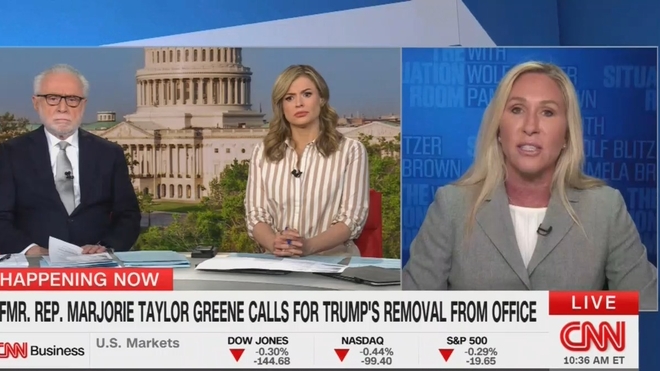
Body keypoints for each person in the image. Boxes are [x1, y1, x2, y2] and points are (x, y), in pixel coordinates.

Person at [402, 61, 658, 310]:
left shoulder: (605, 209)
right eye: (517, 109)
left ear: (567, 134)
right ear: (498, 129)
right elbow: (410, 315)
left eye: (547, 112)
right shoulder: (452, 206)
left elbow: (647, 312)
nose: (530, 127)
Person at [0, 64, 141, 255]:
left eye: (72, 99)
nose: (62, 108)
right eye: (53, 98)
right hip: (33, 266)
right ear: (36, 103)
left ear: (83, 105)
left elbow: (128, 216)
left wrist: (106, 247)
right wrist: (31, 250)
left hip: (96, 266)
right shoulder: (12, 153)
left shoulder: (109, 153)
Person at [245, 65, 370, 257]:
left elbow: (352, 218)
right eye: (289, 98)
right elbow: (256, 214)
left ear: (322, 98)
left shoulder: (350, 151)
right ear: (281, 106)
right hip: (277, 261)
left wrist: (308, 246)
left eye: (307, 94)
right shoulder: (263, 152)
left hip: (333, 263)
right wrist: (274, 243)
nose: (299, 103)